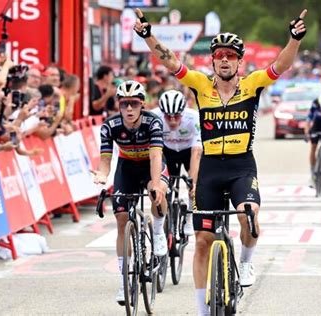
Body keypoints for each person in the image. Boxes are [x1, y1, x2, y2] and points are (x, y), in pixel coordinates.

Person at [133, 7, 308, 315]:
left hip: (241, 166)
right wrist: (149, 36)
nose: (225, 59)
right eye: (220, 55)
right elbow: (170, 60)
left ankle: (245, 264)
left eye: (231, 55)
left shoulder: (252, 85)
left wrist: (294, 39)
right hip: (211, 170)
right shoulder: (201, 85)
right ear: (212, 60)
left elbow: (281, 64)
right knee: (201, 241)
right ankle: (202, 311)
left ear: (239, 61)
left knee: (249, 218)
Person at [92, 80, 169, 305]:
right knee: (121, 218)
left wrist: (155, 184)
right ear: (118, 104)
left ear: (142, 104)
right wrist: (102, 175)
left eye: (133, 104)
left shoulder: (153, 122)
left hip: (150, 164)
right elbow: (106, 159)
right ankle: (124, 280)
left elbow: (156, 156)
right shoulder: (109, 126)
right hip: (126, 167)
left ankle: (157, 230)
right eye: (124, 104)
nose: (129, 109)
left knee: (158, 192)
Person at [152, 90, 202, 235]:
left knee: (195, 184)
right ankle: (165, 221)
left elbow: (196, 152)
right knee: (164, 186)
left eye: (176, 116)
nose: (173, 121)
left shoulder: (193, 117)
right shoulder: (154, 117)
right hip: (167, 151)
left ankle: (190, 214)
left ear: (183, 112)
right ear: (162, 113)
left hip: (188, 151)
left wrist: (193, 182)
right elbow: (155, 152)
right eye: (168, 117)